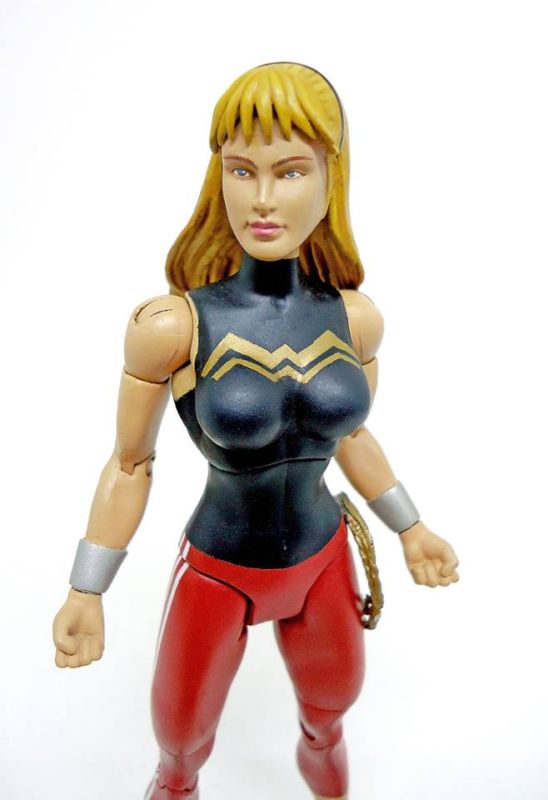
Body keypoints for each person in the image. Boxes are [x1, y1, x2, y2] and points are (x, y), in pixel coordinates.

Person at [53, 63, 459, 800]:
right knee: (181, 749)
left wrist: (411, 526)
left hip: (322, 559)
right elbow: (130, 463)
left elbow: (352, 437)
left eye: (290, 170)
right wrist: (88, 588)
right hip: (219, 570)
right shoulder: (173, 326)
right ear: (220, 179)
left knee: (330, 717)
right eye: (242, 170)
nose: (262, 198)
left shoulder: (355, 319)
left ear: (330, 179)